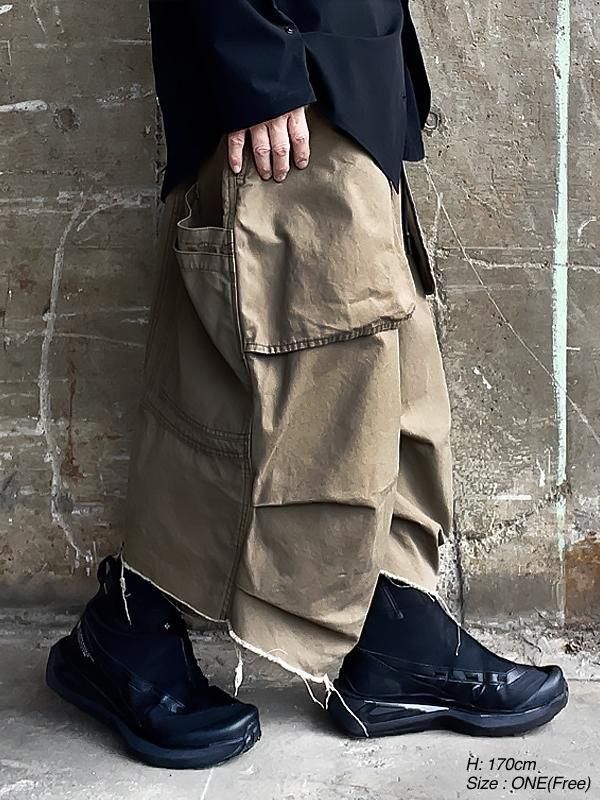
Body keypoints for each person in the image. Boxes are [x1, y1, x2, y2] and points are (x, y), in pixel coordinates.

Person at [46, 0, 569, 769]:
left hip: (346, 65)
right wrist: (255, 60)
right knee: (280, 389)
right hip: (287, 63)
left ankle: (392, 630)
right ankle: (129, 625)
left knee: (386, 376)